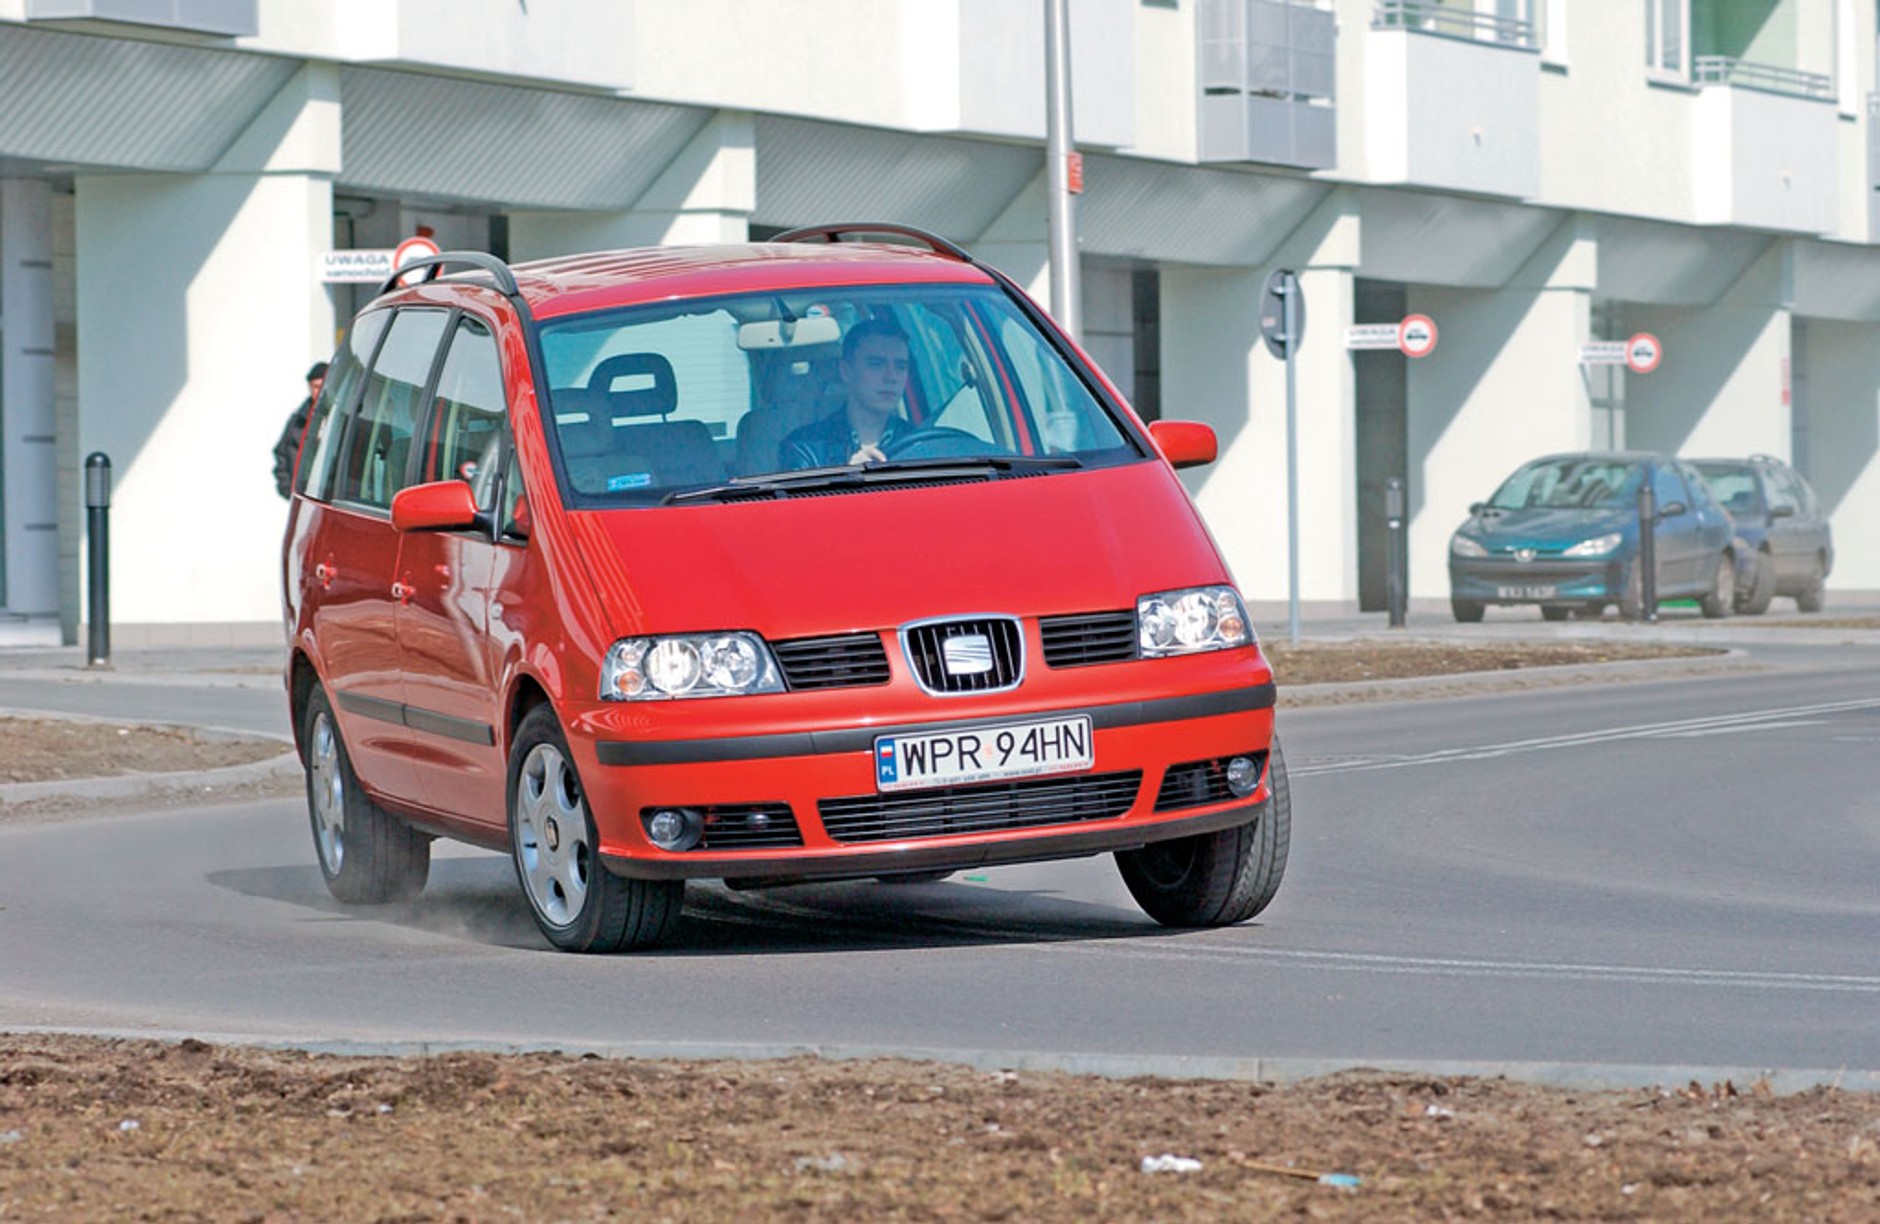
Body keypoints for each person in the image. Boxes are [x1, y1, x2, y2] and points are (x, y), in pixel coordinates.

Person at [779, 318, 912, 469]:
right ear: (846, 371)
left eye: (901, 366)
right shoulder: (805, 447)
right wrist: (847, 480)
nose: (891, 377)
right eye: (876, 364)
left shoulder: (921, 443)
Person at [273, 361, 327, 498]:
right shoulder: (297, 419)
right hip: (301, 496)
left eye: (322, 386)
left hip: (325, 497)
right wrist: (288, 489)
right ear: (309, 387)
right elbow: (281, 452)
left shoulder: (339, 418)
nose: (318, 391)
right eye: (315, 387)